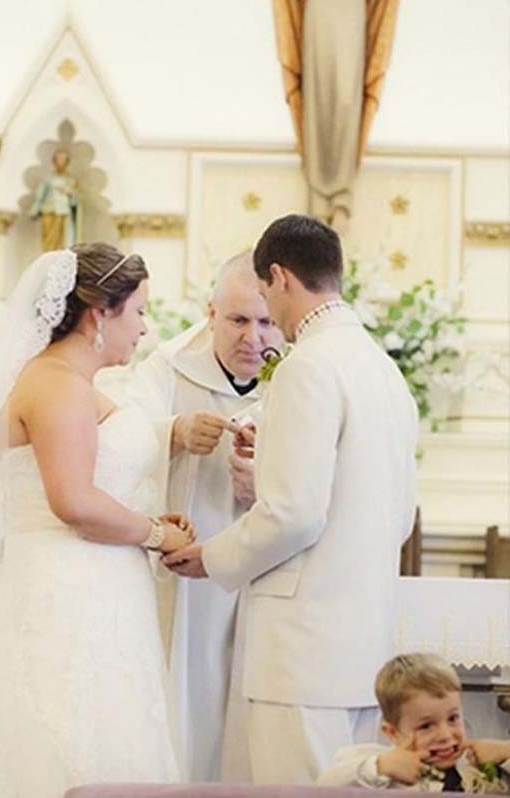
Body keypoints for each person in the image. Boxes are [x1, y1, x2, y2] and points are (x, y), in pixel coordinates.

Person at [0, 243, 193, 798]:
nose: (143, 327)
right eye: (137, 311)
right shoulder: (58, 385)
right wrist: (158, 535)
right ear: (99, 313)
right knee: (63, 733)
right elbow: (74, 501)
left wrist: (141, 518)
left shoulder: (62, 380)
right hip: (71, 592)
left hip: (87, 585)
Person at [165, 214, 419, 783]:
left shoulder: (308, 364)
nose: (267, 315)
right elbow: (400, 515)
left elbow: (294, 514)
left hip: (301, 651)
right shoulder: (382, 369)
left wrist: (210, 558)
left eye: (263, 293)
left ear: (278, 277)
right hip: (360, 646)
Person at [122, 251, 283, 780]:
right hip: (184, 581)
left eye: (265, 322)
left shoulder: (299, 375)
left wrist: (265, 483)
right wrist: (173, 432)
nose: (253, 338)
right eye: (237, 320)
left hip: (264, 578)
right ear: (211, 312)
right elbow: (112, 447)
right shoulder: (165, 368)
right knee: (187, 700)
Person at [317, 652, 510, 793]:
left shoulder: (475, 765)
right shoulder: (382, 765)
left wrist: (505, 752)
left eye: (453, 718)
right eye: (426, 726)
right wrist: (381, 766)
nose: (445, 735)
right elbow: (323, 786)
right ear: (392, 732)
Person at [30, 148, 80, 251]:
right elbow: (40, 195)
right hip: (49, 211)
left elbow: (76, 202)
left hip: (64, 213)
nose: (61, 163)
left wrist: (70, 193)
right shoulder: (48, 180)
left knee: (64, 239)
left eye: (63, 160)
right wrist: (35, 209)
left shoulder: (71, 180)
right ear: (54, 162)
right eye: (58, 160)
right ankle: (49, 253)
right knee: (50, 239)